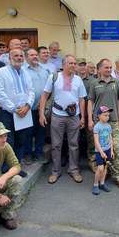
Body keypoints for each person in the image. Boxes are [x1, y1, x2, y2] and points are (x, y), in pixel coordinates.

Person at [39, 55, 86, 184]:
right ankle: (55, 171)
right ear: (64, 64)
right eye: (70, 63)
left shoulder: (78, 80)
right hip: (57, 115)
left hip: (74, 116)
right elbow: (44, 96)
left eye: (74, 63)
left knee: (74, 145)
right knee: (56, 145)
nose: (73, 65)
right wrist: (41, 114)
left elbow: (82, 99)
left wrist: (82, 117)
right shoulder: (54, 77)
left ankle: (74, 170)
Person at [87, 59, 119, 190]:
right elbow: (90, 102)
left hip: (114, 121)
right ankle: (103, 173)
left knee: (115, 147)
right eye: (106, 67)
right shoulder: (94, 84)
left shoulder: (116, 82)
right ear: (99, 69)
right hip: (99, 123)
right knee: (100, 148)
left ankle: (118, 176)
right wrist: (90, 119)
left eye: (110, 67)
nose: (109, 69)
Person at [0, 48, 34, 166]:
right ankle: (6, 169)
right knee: (7, 141)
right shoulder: (2, 72)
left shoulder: (26, 72)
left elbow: (31, 91)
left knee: (21, 140)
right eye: (16, 56)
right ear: (10, 58)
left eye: (21, 56)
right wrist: (14, 109)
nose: (19, 58)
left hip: (24, 112)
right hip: (8, 113)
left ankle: (16, 166)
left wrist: (27, 105)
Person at [24, 48, 49, 164]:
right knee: (28, 132)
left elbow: (49, 88)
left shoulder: (44, 70)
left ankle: (38, 153)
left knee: (41, 131)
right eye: (31, 55)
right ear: (26, 57)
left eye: (35, 55)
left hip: (42, 108)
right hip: (28, 107)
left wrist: (44, 103)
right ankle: (28, 154)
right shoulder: (23, 71)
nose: (34, 57)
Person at [91, 106, 113, 195]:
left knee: (105, 168)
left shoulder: (108, 126)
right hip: (100, 151)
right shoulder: (97, 127)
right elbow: (96, 141)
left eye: (108, 115)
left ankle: (102, 183)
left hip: (108, 150)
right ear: (99, 116)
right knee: (100, 168)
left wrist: (111, 151)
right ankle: (95, 184)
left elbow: (110, 138)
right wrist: (101, 152)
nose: (107, 117)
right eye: (105, 115)